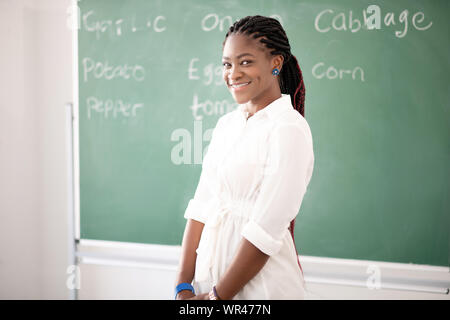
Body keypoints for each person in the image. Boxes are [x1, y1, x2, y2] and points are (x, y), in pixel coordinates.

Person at [175, 15, 314, 300]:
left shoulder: (288, 128)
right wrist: (182, 285)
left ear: (276, 63)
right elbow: (201, 207)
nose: (233, 73)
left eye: (246, 62)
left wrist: (217, 298)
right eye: (227, 64)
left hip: (263, 291)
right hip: (207, 288)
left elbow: (265, 232)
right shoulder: (228, 125)